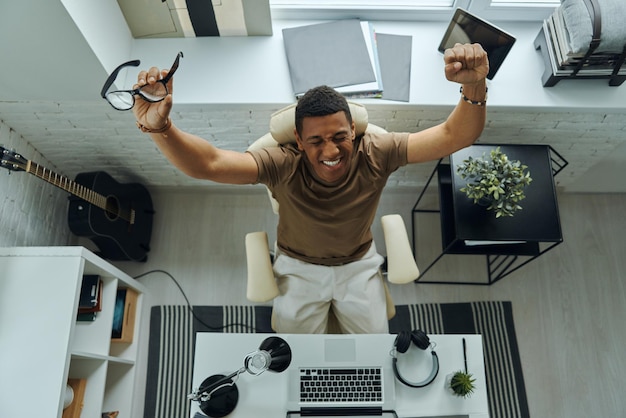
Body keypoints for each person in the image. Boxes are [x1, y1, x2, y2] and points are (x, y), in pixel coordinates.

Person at [132, 43, 489, 334]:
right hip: (297, 267)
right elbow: (207, 164)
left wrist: (474, 86)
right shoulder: (281, 163)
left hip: (359, 265)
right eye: (316, 141)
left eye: (339, 136)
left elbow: (454, 135)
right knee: (297, 357)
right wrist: (159, 128)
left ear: (352, 129)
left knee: (373, 352)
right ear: (299, 141)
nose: (331, 151)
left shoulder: (377, 151)